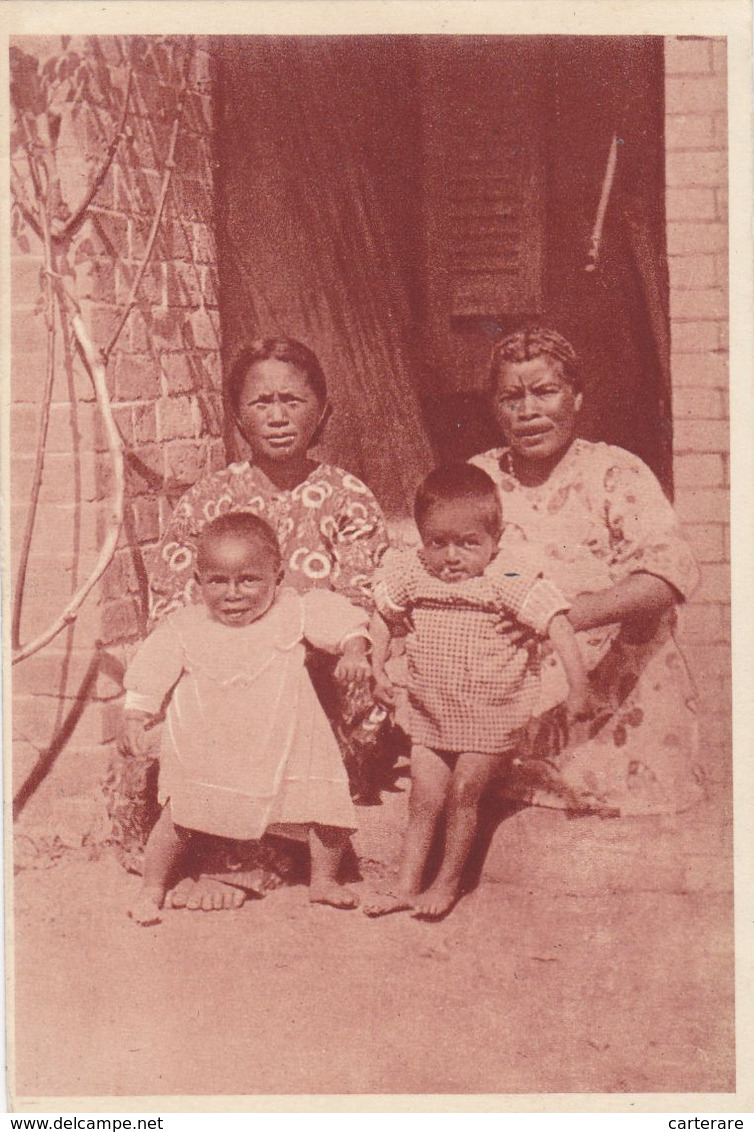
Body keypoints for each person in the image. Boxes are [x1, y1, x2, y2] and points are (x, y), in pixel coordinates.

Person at [107, 336, 389, 910]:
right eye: (262, 403)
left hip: (306, 680)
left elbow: (358, 600)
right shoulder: (208, 499)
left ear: (323, 411)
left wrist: (287, 658)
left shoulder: (346, 497)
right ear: (238, 418)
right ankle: (210, 853)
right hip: (220, 675)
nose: (279, 417)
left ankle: (263, 856)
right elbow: (172, 603)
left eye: (294, 400)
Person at [470, 326, 703, 816]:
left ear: (576, 396)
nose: (528, 411)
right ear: (494, 407)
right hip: (517, 688)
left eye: (545, 391)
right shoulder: (480, 479)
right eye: (511, 396)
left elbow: (667, 576)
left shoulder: (615, 472)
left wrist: (564, 617)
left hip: (616, 686)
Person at [363, 463, 591, 920]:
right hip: (433, 710)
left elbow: (557, 623)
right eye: (438, 542)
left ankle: (448, 882)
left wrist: (578, 686)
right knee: (425, 795)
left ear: (495, 538)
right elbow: (383, 612)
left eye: (469, 543)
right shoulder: (414, 571)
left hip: (491, 711)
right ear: (422, 537)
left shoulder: (504, 578)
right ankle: (406, 885)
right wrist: (377, 665)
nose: (451, 557)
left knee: (465, 789)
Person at [121, 512, 372, 925]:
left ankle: (323, 879)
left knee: (326, 812)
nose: (233, 594)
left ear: (278, 576)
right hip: (209, 746)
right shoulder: (186, 626)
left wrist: (354, 649)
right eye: (217, 581)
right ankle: (152, 886)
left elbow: (338, 619)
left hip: (289, 741)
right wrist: (135, 713)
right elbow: (152, 667)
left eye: (249, 580)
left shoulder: (293, 610)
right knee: (179, 817)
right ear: (198, 581)